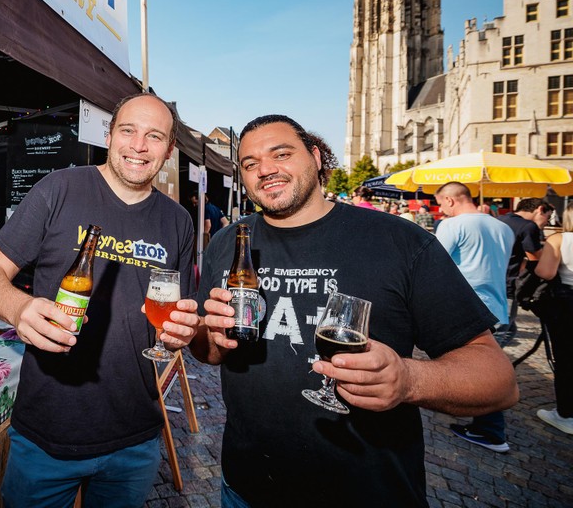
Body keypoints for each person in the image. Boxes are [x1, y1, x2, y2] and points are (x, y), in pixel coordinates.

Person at [189, 115, 517, 508]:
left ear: (315, 156)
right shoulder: (228, 243)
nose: (266, 170)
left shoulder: (399, 241)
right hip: (245, 489)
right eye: (250, 163)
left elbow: (499, 381)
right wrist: (209, 337)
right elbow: (208, 353)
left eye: (281, 154)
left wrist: (409, 380)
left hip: (369, 493)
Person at [0, 93, 200, 508]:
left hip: (135, 439)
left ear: (169, 150)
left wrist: (181, 334)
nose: (138, 145)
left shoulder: (178, 221)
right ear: (109, 134)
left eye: (154, 136)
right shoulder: (59, 188)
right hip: (46, 435)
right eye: (128, 130)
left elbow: (180, 317)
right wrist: (19, 307)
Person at [433, 181, 516, 453]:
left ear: (450, 200)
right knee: (488, 365)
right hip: (499, 307)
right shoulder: (503, 227)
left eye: (441, 204)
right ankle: (485, 424)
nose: (442, 210)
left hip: (467, 308)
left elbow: (433, 263)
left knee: (474, 369)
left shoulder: (452, 226)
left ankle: (491, 431)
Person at [533, 208, 573, 435]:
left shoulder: (559, 239)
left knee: (566, 358)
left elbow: (545, 272)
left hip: (567, 302)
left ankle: (566, 413)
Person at [499, 197, 555, 307]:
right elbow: (536, 258)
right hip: (508, 284)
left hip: (490, 281)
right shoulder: (529, 226)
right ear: (540, 209)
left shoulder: (499, 219)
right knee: (505, 322)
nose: (546, 223)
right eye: (547, 217)